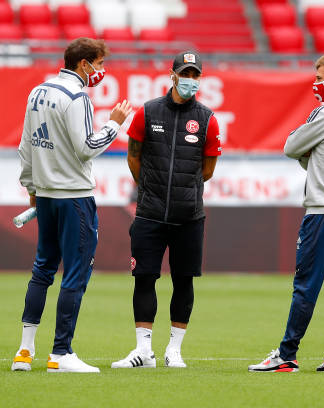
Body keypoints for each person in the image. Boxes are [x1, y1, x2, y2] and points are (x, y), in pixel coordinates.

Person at [11, 38, 132, 373]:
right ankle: (61, 354)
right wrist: (115, 123)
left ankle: (24, 351)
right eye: (100, 64)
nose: (102, 71)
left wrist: (31, 187)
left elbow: (25, 146)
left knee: (42, 269)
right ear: (84, 65)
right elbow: (86, 147)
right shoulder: (77, 96)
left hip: (46, 196)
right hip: (74, 197)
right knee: (75, 274)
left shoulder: (38, 91)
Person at [248, 52, 324, 373]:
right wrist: (311, 157)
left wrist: (308, 154)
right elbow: (321, 157)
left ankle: (287, 354)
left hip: (323, 211)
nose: (316, 83)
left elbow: (291, 147)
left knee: (306, 284)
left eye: (320, 77)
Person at [111, 51, 222, 369]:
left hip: (189, 216)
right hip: (149, 212)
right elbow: (134, 156)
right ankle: (143, 351)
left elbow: (208, 169)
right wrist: (149, 187)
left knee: (183, 280)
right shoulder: (147, 112)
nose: (189, 80)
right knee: (144, 278)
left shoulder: (208, 119)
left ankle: (174, 350)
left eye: (195, 75)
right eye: (184, 74)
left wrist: (183, 190)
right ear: (172, 75)